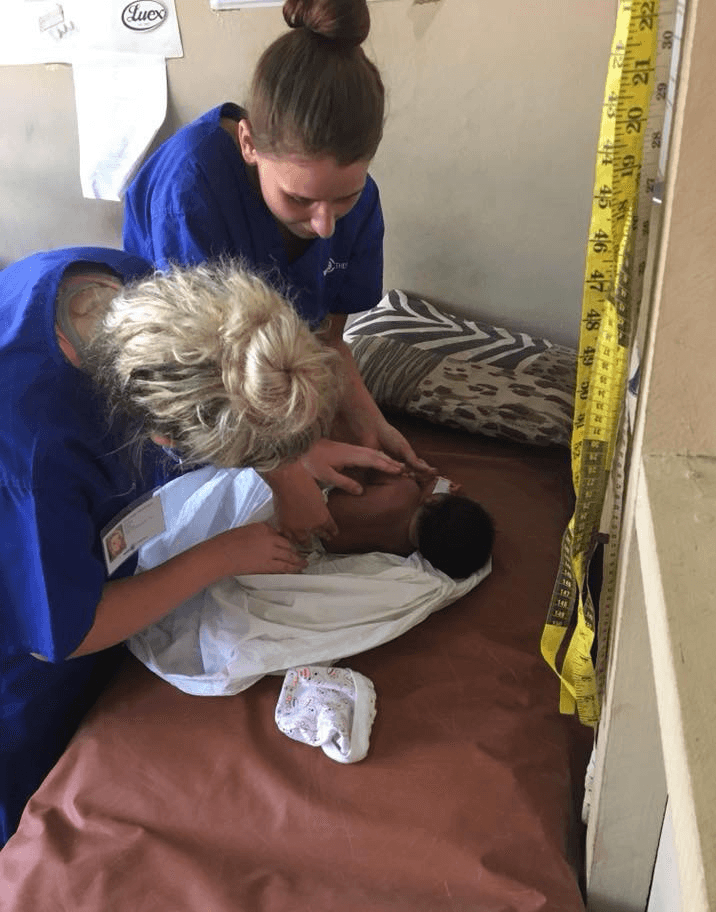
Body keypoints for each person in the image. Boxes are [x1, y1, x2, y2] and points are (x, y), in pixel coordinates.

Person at [0, 248, 400, 847]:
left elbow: (230, 376)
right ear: (165, 438)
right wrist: (222, 555)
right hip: (24, 667)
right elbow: (69, 631)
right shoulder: (38, 451)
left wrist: (292, 452)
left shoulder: (137, 295)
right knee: (25, 794)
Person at [122, 0, 431, 543]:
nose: (325, 225)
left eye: (346, 197)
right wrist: (290, 472)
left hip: (271, 378)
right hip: (190, 377)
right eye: (299, 199)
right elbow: (204, 376)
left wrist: (366, 417)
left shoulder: (356, 206)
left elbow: (328, 338)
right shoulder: (191, 190)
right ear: (248, 145)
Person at [322, 471, 496, 579]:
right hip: (319, 542)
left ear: (432, 498)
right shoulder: (403, 549)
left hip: (317, 501)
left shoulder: (405, 490)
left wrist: (418, 478)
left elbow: (369, 460)